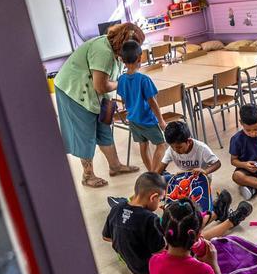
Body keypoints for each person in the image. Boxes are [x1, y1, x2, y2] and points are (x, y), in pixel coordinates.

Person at [103, 173, 252, 274]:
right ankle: (231, 220)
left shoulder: (118, 207)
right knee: (187, 237)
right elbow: (161, 250)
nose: (160, 202)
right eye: (160, 199)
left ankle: (217, 213)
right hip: (148, 266)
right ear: (153, 197)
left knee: (181, 226)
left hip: (132, 263)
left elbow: (107, 237)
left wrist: (130, 243)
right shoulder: (149, 218)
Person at [54, 23, 143, 188]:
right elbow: (101, 86)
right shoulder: (103, 51)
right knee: (86, 132)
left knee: (105, 126)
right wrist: (123, 82)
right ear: (121, 43)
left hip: (99, 93)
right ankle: (88, 176)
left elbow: (108, 83)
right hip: (74, 90)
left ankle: (115, 166)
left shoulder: (118, 52)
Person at [116, 41, 166, 172]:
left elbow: (123, 99)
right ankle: (155, 173)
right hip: (147, 119)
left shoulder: (121, 79)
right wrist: (161, 120)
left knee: (143, 145)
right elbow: (152, 102)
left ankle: (150, 172)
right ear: (140, 58)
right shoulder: (144, 79)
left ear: (122, 60)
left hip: (133, 119)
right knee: (161, 145)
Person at [155, 121, 221, 177]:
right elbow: (161, 167)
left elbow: (217, 163)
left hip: (201, 176)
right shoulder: (171, 150)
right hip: (184, 176)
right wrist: (153, 179)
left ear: (189, 141)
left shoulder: (202, 148)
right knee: (164, 178)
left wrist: (205, 171)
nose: (175, 150)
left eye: (179, 147)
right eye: (172, 147)